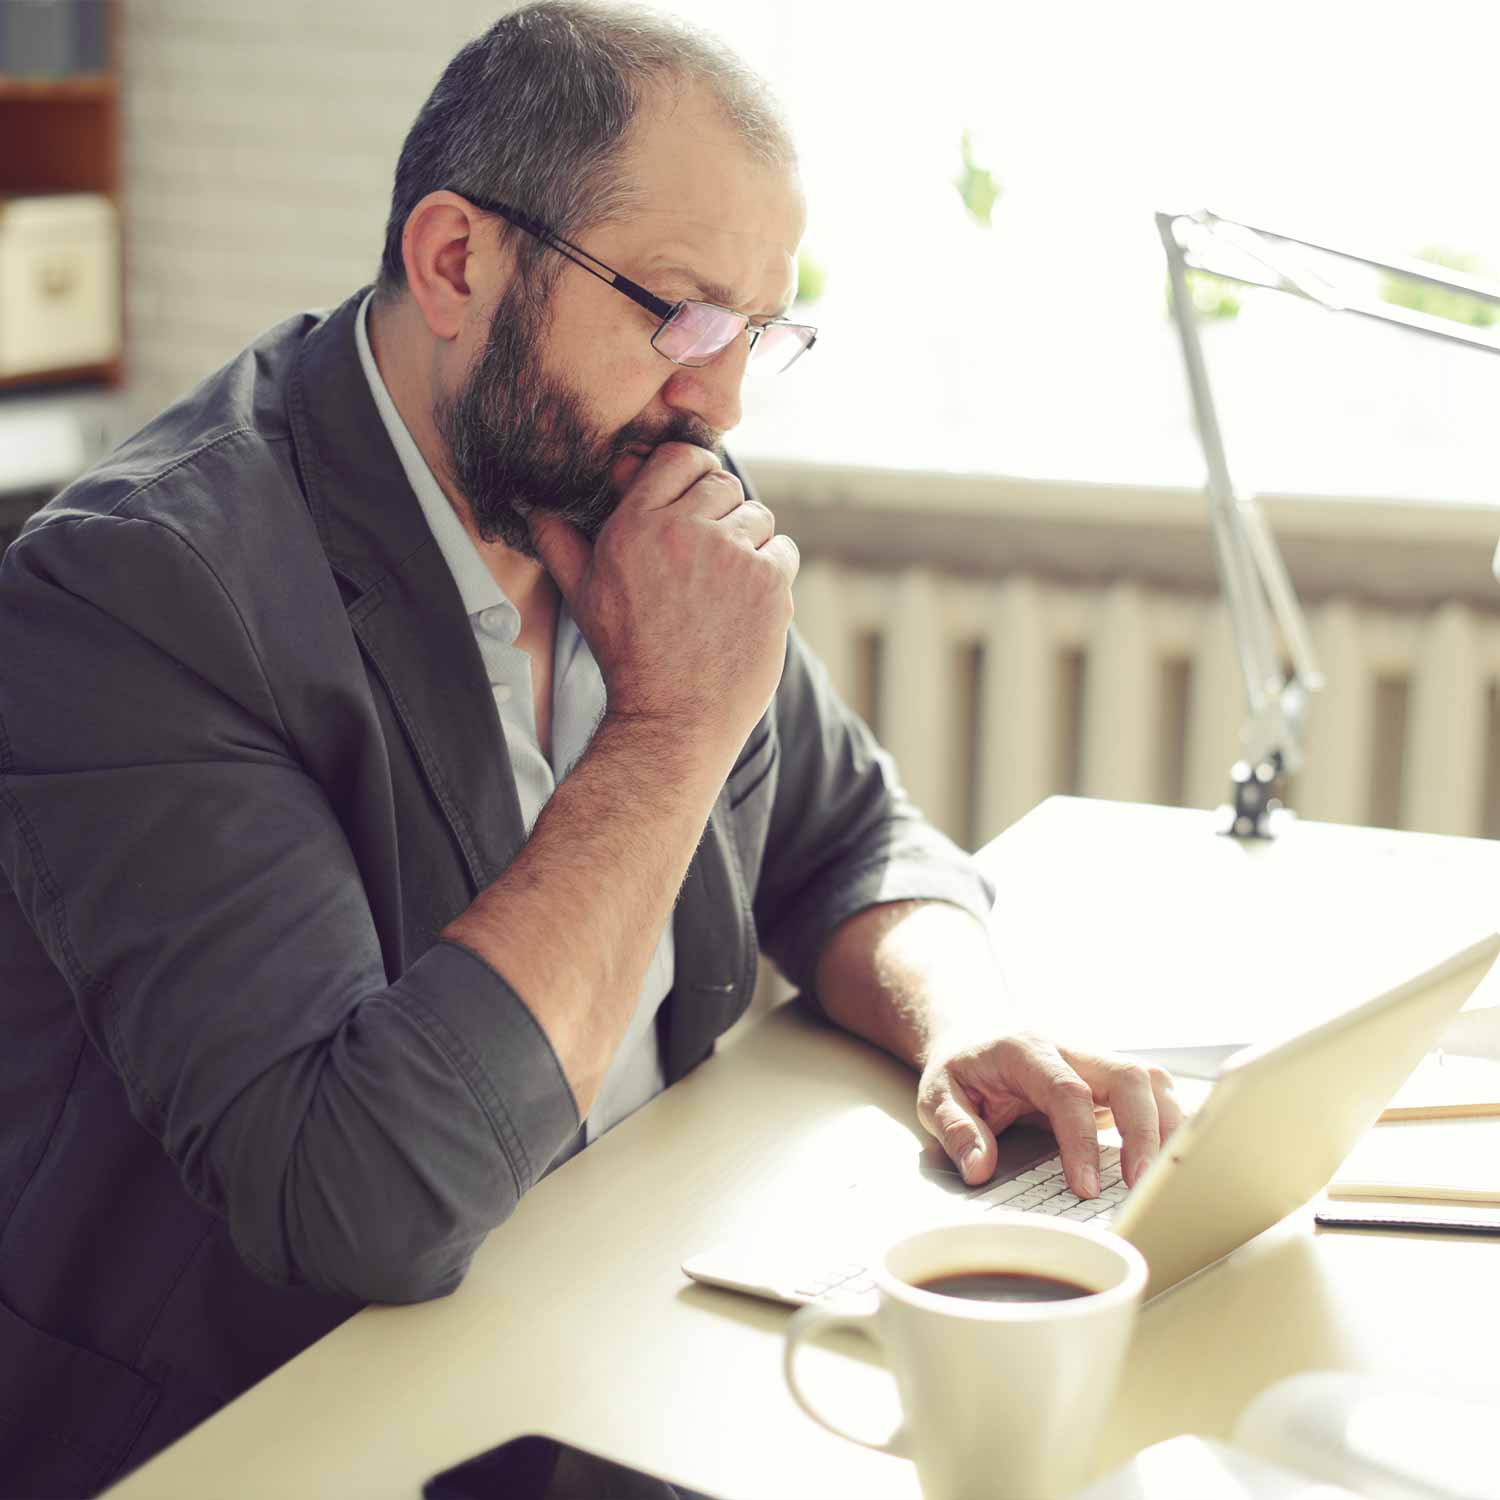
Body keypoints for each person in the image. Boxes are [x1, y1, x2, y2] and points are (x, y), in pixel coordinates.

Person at [0, 3, 1180, 1493]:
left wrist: (957, 1015)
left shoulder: (619, 473)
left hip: (632, 1333)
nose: (724, 396)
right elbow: (356, 1202)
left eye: (757, 332)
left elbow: (856, 836)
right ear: (454, 262)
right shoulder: (144, 592)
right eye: (677, 313)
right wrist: (673, 726)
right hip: (277, 1424)